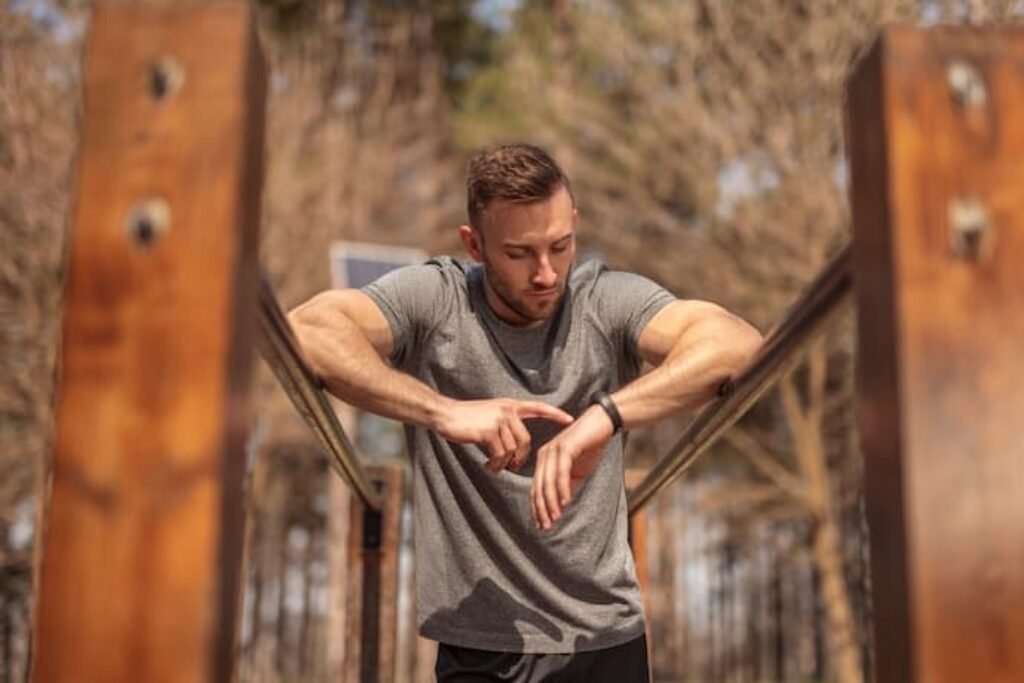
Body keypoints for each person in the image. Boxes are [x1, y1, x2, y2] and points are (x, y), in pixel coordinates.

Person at [288, 143, 762, 682]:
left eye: (561, 246)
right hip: (478, 644)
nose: (546, 273)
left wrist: (605, 415)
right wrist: (443, 412)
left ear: (575, 225)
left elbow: (737, 344)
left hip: (603, 637)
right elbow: (307, 331)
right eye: (519, 254)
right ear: (475, 245)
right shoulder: (439, 300)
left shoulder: (604, 300)